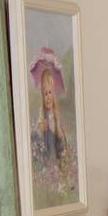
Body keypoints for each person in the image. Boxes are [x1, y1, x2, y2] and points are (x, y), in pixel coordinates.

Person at [27, 48, 75, 203]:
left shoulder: (56, 116)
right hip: (47, 153)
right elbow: (37, 136)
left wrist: (57, 130)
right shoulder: (43, 114)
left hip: (57, 149)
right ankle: (55, 180)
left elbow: (61, 141)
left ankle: (63, 180)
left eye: (50, 93)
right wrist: (40, 129)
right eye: (45, 93)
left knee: (62, 158)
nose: (48, 96)